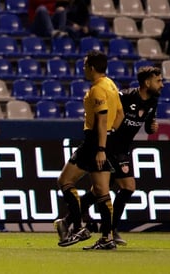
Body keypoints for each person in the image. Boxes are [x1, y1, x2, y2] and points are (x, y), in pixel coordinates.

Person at [79, 66, 162, 246]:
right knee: (127, 186)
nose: (161, 84)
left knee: (100, 191)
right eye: (158, 80)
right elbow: (106, 114)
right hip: (109, 147)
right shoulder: (125, 97)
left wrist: (151, 128)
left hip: (123, 149)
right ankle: (109, 230)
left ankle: (71, 217)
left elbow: (148, 125)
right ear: (147, 83)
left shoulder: (153, 101)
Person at [54, 50, 124, 250]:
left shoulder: (97, 89)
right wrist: (110, 136)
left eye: (85, 65)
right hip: (105, 139)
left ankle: (78, 227)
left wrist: (100, 147)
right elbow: (119, 113)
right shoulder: (111, 84)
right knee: (102, 191)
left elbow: (101, 120)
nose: (83, 69)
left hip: (94, 142)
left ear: (92, 67)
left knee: (65, 181)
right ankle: (107, 238)